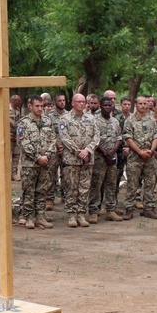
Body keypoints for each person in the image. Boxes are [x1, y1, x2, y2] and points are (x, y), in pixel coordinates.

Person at [58, 93, 99, 227]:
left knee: (84, 187)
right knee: (72, 187)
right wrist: (78, 152)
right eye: (79, 102)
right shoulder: (65, 119)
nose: (82, 104)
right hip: (71, 159)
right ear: (73, 103)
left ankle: (81, 214)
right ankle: (71, 215)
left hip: (87, 159)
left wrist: (87, 150)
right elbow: (64, 138)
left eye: (83, 101)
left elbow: (96, 136)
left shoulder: (91, 118)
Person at [17, 95, 57, 230]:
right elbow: (24, 142)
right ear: (30, 106)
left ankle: (40, 216)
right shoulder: (24, 123)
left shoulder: (48, 121)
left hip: (45, 163)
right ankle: (28, 217)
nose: (40, 109)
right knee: (28, 191)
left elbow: (53, 140)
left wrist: (47, 155)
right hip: (30, 164)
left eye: (41, 106)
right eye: (37, 106)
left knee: (42, 191)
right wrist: (37, 157)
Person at [121, 96, 157, 220]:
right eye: (140, 103)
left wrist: (151, 151)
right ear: (136, 105)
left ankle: (149, 208)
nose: (143, 106)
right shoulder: (130, 120)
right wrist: (139, 152)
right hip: (135, 157)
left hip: (150, 157)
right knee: (132, 184)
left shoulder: (152, 120)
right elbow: (128, 138)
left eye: (145, 103)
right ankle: (129, 209)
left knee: (150, 183)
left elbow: (156, 136)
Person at [87, 97, 123, 223]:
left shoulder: (115, 122)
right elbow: (94, 139)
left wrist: (113, 151)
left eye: (110, 105)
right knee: (96, 184)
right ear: (100, 106)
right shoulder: (94, 121)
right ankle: (93, 211)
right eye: (105, 105)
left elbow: (119, 137)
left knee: (111, 184)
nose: (107, 107)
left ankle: (110, 210)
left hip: (112, 157)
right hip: (99, 158)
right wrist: (104, 153)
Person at [9, 94, 23, 181]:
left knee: (16, 155)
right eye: (19, 101)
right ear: (14, 101)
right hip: (8, 136)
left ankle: (14, 173)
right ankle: (5, 173)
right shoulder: (6, 109)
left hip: (16, 135)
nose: (20, 102)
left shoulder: (17, 110)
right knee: (7, 156)